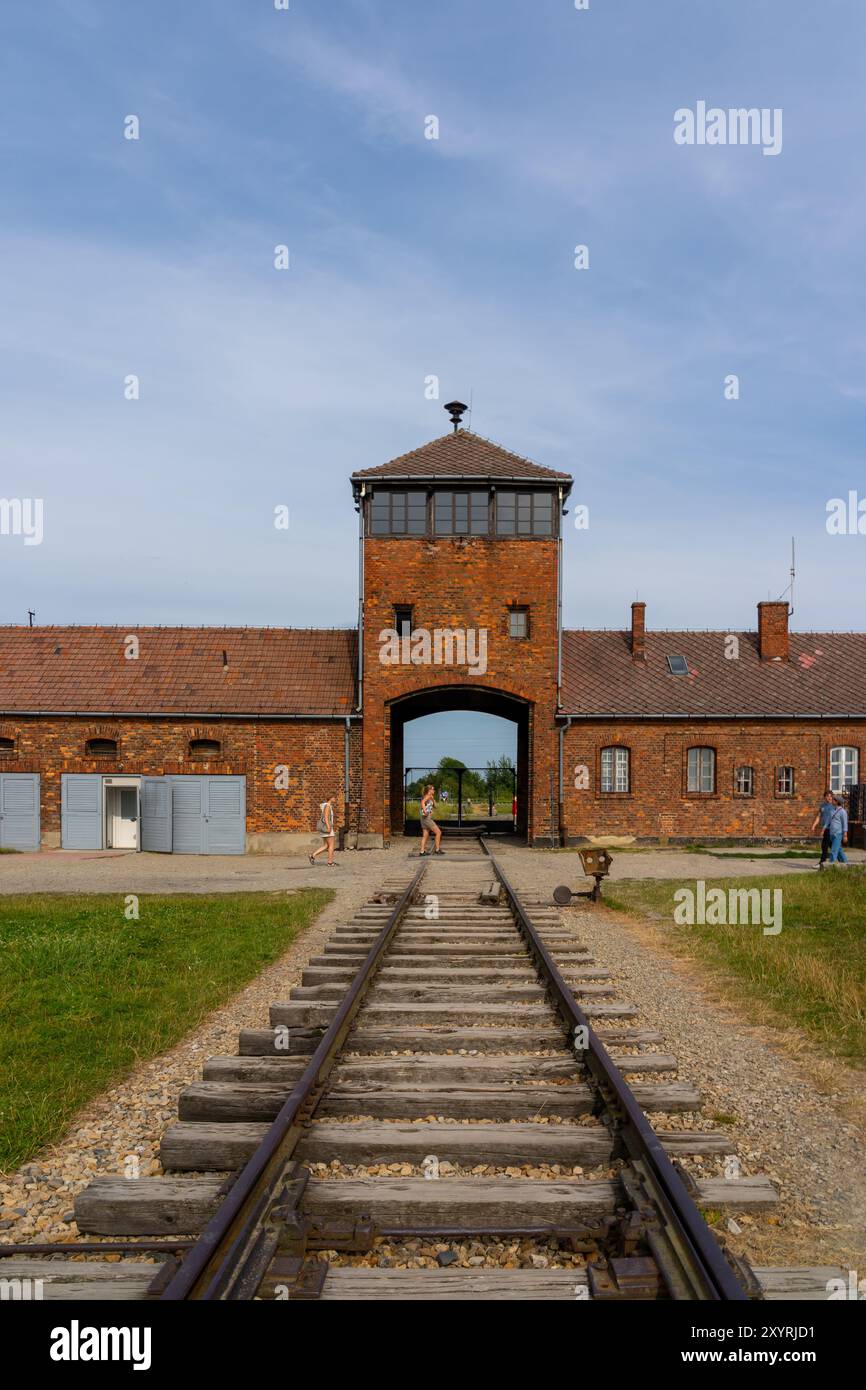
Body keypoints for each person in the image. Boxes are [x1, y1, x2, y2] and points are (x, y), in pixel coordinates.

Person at [810, 790, 836, 869]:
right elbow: (818, 817)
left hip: (832, 829)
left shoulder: (835, 806)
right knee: (832, 846)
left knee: (825, 845)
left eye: (831, 796)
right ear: (825, 797)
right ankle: (842, 861)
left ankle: (822, 863)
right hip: (826, 829)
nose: (829, 798)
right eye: (827, 796)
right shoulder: (823, 806)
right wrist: (814, 825)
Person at [310, 795, 338, 867]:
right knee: (331, 845)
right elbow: (325, 817)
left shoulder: (327, 806)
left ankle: (312, 855)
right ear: (330, 798)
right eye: (334, 797)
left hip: (325, 827)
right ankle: (330, 862)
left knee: (326, 845)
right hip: (327, 828)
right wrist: (329, 827)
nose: (335, 798)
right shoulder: (327, 806)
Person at [419, 784, 444, 856]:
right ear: (429, 790)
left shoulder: (430, 797)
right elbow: (422, 802)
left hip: (424, 818)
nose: (434, 790)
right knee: (438, 832)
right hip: (427, 818)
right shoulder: (427, 796)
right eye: (433, 789)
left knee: (425, 835)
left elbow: (435, 806)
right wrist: (425, 811)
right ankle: (437, 849)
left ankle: (422, 851)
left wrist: (433, 799)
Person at [826, 795, 849, 866]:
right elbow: (829, 821)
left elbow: (845, 824)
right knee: (839, 849)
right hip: (832, 833)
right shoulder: (832, 810)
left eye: (833, 800)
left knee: (834, 850)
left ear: (837, 802)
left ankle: (830, 866)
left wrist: (845, 835)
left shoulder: (842, 812)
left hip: (838, 834)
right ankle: (845, 864)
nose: (831, 800)